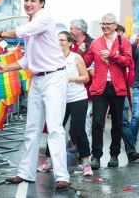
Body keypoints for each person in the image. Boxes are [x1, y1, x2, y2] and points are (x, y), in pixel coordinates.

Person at [0, 0, 69, 190]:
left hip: (54, 78)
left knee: (54, 128)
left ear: (41, 3)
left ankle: (62, 176)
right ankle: (25, 173)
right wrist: (4, 68)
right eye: (26, 0)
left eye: (32, 0)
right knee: (31, 128)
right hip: (37, 79)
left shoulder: (44, 18)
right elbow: (27, 60)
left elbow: (18, 33)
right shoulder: (32, 23)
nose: (28, 3)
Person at [37, 31, 92, 176]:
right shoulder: (52, 59)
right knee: (55, 128)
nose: (59, 42)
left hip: (77, 98)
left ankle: (86, 163)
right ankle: (49, 160)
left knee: (78, 128)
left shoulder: (76, 57)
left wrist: (70, 79)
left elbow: (86, 77)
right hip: (58, 99)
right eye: (57, 40)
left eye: (62, 40)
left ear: (70, 43)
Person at [83, 14, 132, 169]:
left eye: (107, 24)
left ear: (115, 25)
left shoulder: (123, 41)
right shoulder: (96, 43)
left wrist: (113, 55)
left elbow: (128, 61)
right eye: (102, 23)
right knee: (97, 123)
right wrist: (80, 53)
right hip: (100, 86)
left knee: (117, 123)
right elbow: (86, 62)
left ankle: (114, 155)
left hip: (118, 86)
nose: (104, 26)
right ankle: (96, 156)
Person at [115, 25, 139, 162]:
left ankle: (131, 151)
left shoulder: (128, 47)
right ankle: (92, 155)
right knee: (97, 123)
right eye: (117, 33)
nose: (119, 36)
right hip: (104, 88)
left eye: (120, 33)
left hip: (123, 89)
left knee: (124, 120)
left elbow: (131, 53)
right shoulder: (104, 46)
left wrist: (135, 43)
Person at [69, 18, 94, 145]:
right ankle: (74, 143)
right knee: (72, 121)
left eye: (72, 28)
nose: (70, 31)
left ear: (79, 30)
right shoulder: (70, 43)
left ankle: (85, 148)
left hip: (87, 89)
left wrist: (80, 55)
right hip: (69, 90)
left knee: (85, 120)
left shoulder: (92, 44)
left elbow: (90, 66)